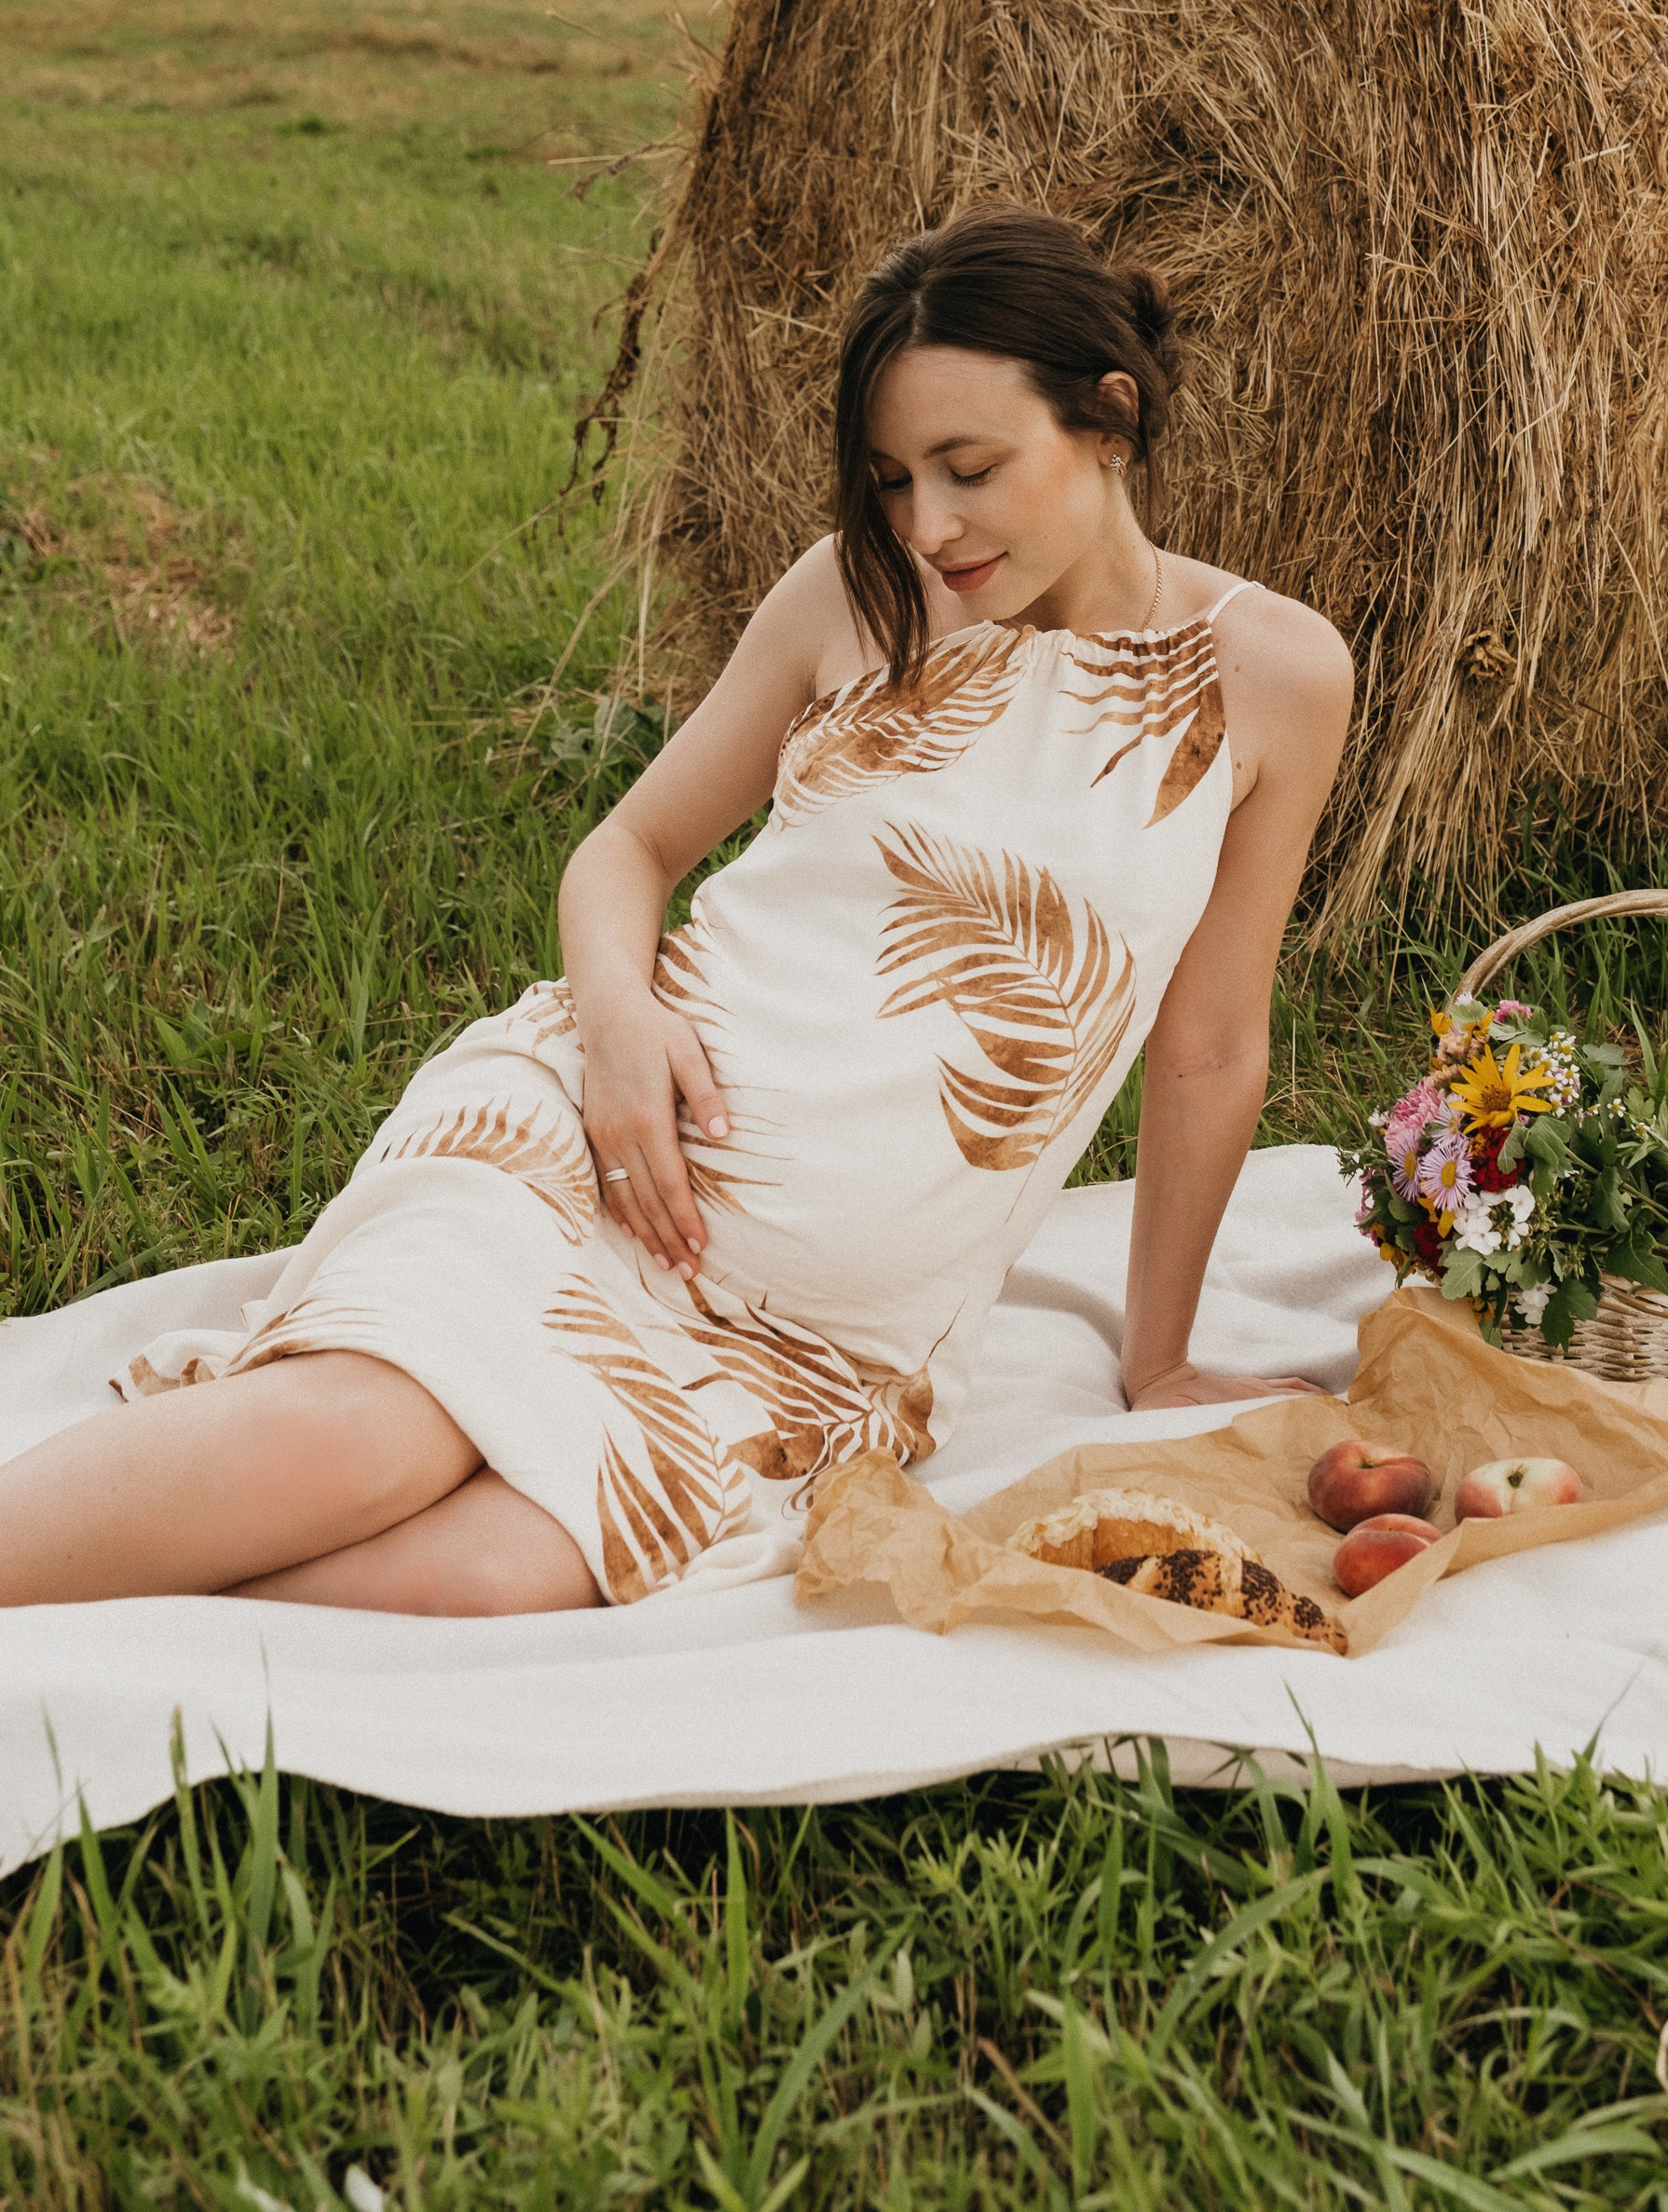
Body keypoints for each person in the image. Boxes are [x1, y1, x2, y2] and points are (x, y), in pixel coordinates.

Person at [0, 208, 1354, 1615]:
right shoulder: (856, 594)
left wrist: (1159, 1357)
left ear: (1110, 421)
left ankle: (127, 1561)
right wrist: (618, 1025)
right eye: (893, 480)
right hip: (596, 1141)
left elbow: (1208, 1047)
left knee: (502, 1571)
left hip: (815, 1338)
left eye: (971, 470)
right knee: (358, 1443)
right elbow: (629, 847)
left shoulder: (1269, 678)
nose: (927, 525)